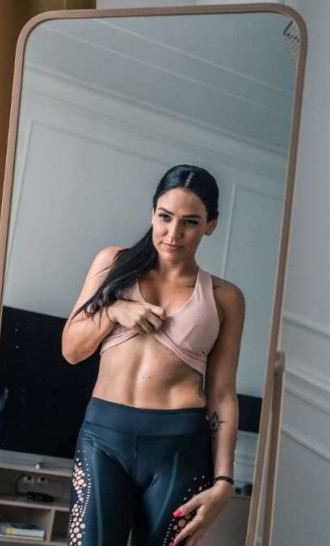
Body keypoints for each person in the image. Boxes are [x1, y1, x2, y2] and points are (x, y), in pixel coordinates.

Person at [60, 165, 245, 546]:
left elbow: (223, 393)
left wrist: (225, 481)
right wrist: (113, 311)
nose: (173, 234)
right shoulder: (113, 265)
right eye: (165, 217)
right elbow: (72, 350)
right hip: (103, 440)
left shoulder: (226, 297)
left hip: (180, 447)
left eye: (190, 222)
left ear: (211, 225)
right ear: (153, 212)